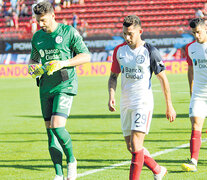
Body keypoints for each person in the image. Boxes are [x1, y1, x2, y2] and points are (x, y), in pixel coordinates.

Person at [108, 15, 176, 180]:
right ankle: (157, 169)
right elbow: (113, 77)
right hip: (125, 102)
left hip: (142, 102)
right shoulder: (119, 50)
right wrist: (111, 96)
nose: (127, 37)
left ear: (140, 31)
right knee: (131, 147)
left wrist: (169, 105)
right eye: (124, 33)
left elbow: (163, 79)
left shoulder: (150, 51)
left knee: (137, 145)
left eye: (130, 33)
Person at [28, 1, 91, 180]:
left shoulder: (68, 32)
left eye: (43, 20)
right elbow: (33, 59)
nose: (40, 24)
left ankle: (71, 160)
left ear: (53, 15)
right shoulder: (37, 37)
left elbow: (85, 56)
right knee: (50, 131)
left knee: (57, 126)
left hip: (65, 84)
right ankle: (58, 174)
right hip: (45, 86)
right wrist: (33, 69)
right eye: (38, 21)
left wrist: (63, 63)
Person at [181, 18, 207, 172]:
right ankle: (193, 161)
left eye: (198, 32)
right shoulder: (190, 48)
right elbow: (190, 69)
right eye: (193, 33)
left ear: (205, 29)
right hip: (198, 93)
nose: (196, 36)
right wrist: (191, 89)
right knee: (195, 124)